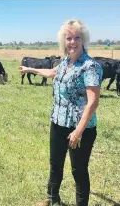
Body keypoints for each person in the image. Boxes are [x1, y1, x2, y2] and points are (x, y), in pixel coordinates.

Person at [19, 19, 103, 206]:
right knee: (55, 164)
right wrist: (29, 69)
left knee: (78, 170)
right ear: (63, 41)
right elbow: (51, 73)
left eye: (77, 38)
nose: (72, 42)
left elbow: (93, 102)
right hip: (58, 122)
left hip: (81, 129)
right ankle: (51, 198)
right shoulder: (66, 62)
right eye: (69, 38)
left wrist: (78, 131)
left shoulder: (89, 66)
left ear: (83, 40)